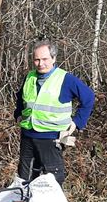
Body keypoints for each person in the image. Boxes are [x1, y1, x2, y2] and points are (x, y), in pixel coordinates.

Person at [13, 38, 95, 184]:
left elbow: (88, 98)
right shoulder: (29, 77)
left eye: (44, 59)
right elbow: (21, 98)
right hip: (28, 135)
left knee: (53, 181)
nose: (40, 63)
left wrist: (77, 122)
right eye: (37, 60)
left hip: (51, 137)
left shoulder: (65, 79)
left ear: (54, 58)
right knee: (24, 180)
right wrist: (18, 114)